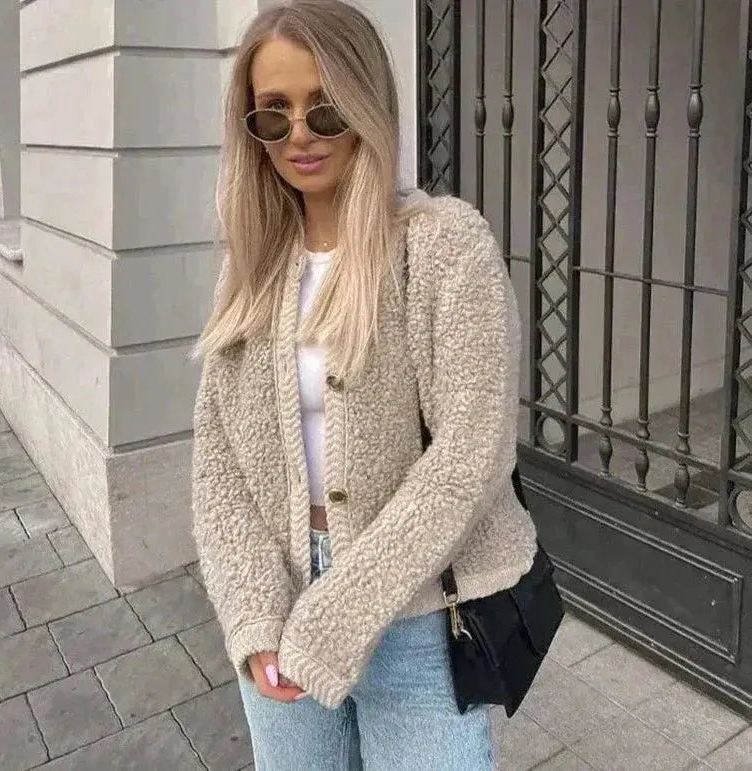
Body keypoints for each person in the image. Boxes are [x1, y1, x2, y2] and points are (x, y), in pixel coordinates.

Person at [191, 0, 538, 768]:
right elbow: (218, 462)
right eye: (273, 113)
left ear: (367, 103)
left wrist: (338, 617)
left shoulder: (443, 246)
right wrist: (253, 610)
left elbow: (472, 455)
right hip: (281, 600)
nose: (300, 134)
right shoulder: (251, 264)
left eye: (325, 107)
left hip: (418, 615)